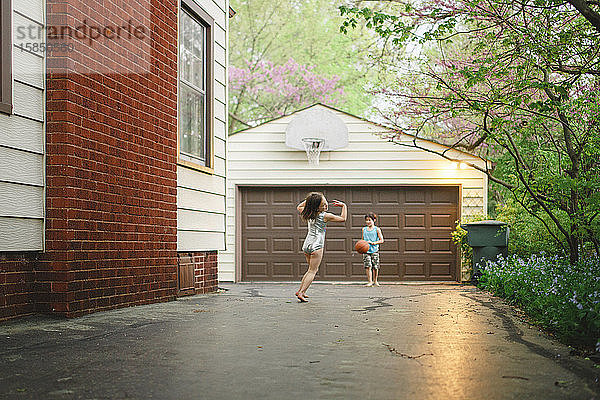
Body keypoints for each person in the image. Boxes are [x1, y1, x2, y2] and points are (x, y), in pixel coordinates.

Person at [295, 192, 347, 302]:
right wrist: (344, 206)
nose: (326, 205)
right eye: (323, 204)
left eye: (325, 202)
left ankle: (301, 290)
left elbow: (299, 206)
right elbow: (343, 218)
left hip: (307, 244)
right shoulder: (325, 216)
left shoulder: (307, 212)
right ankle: (301, 292)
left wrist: (309, 200)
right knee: (313, 271)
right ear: (317, 206)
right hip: (317, 245)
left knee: (310, 270)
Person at [362, 212, 384, 287]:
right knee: (368, 266)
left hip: (374, 250)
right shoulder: (364, 229)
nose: (368, 222)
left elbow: (381, 240)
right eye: (366, 220)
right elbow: (362, 240)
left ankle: (375, 281)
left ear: (374, 220)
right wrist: (362, 245)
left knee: (375, 266)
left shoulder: (377, 229)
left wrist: (374, 243)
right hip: (366, 251)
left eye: (369, 220)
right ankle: (370, 281)